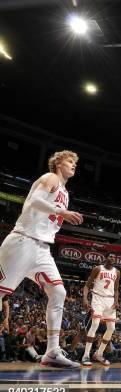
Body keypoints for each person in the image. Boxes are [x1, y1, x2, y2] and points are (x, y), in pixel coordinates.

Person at [0, 150, 83, 368]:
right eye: (70, 161)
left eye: (75, 163)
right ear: (58, 163)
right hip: (23, 241)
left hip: (42, 249)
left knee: (58, 292)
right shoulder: (50, 178)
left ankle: (52, 351)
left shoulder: (65, 191)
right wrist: (62, 212)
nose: (74, 165)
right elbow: (34, 201)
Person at [82, 253, 121, 366]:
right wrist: (85, 298)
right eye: (110, 256)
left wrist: (116, 301)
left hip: (110, 301)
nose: (112, 258)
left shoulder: (117, 272)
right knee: (95, 324)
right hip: (97, 298)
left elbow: (116, 289)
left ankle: (98, 354)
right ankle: (86, 355)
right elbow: (87, 285)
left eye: (114, 257)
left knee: (111, 328)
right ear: (106, 258)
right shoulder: (98, 268)